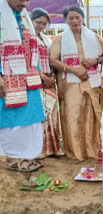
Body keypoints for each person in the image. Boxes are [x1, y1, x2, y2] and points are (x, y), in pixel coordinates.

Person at [49, 6, 103, 161]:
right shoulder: (60, 38)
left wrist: (96, 60)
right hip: (69, 83)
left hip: (91, 82)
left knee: (91, 116)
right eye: (71, 18)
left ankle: (92, 149)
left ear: (82, 18)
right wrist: (74, 70)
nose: (74, 21)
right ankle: (76, 152)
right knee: (72, 116)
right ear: (66, 20)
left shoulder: (94, 37)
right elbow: (53, 60)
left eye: (77, 17)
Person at [0, 0, 44, 172]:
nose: (25, 4)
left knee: (30, 118)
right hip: (7, 78)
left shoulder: (23, 17)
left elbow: (31, 48)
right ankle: (10, 158)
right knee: (9, 119)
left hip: (27, 77)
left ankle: (26, 156)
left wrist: (37, 72)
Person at [30, 8, 63, 158]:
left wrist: (52, 77)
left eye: (44, 24)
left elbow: (52, 59)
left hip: (49, 80)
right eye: (38, 22)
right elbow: (27, 62)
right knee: (39, 115)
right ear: (31, 20)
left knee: (51, 114)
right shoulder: (26, 38)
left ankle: (52, 149)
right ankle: (39, 150)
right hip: (34, 81)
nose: (41, 26)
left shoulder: (46, 39)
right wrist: (42, 77)